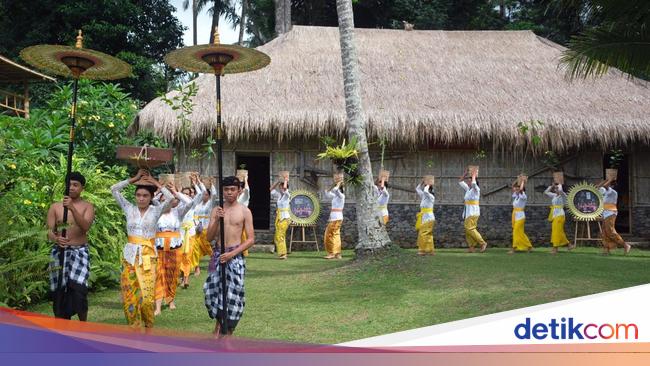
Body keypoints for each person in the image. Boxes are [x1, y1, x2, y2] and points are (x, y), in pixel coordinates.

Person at [111, 169, 173, 329]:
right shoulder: (128, 208)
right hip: (130, 257)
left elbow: (171, 198)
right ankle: (134, 328)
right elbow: (114, 189)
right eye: (138, 195)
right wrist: (134, 179)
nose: (141, 198)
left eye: (145, 196)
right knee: (129, 296)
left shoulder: (156, 210)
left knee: (147, 298)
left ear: (151, 197)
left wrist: (154, 182)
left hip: (148, 257)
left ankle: (148, 326)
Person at [203, 176, 254, 337]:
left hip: (234, 256)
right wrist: (217, 220)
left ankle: (229, 330)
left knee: (234, 293)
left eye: (232, 189)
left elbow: (251, 239)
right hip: (218, 255)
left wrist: (232, 253)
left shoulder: (245, 211)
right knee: (213, 291)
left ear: (239, 191)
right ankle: (218, 324)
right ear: (222, 191)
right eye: (226, 189)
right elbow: (209, 238)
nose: (229, 192)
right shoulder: (216, 210)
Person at [46, 172, 95, 321]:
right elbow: (48, 231)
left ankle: (82, 323)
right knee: (59, 292)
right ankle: (62, 325)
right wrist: (56, 238)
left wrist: (72, 208)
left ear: (82, 188)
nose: (72, 188)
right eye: (69, 184)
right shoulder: (55, 207)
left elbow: (85, 226)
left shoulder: (88, 206)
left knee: (79, 290)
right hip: (59, 252)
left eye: (75, 185)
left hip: (79, 252)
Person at [154, 181, 202, 315]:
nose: (167, 201)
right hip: (159, 249)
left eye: (171, 199)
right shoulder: (156, 212)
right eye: (165, 198)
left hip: (175, 248)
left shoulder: (178, 212)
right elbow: (152, 199)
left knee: (172, 274)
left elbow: (190, 202)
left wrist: (175, 192)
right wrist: (160, 191)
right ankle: (157, 305)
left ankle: (170, 299)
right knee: (158, 275)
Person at [179, 174, 204, 288]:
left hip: (191, 234)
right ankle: (180, 276)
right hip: (179, 235)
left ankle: (186, 279)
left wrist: (195, 183)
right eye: (183, 194)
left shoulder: (193, 205)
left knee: (187, 256)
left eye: (188, 194)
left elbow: (201, 193)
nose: (186, 196)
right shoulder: (177, 206)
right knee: (180, 256)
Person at [597, 178, 631, 255]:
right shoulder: (605, 192)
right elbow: (597, 187)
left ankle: (625, 245)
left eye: (608, 184)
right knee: (604, 232)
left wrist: (610, 178)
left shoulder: (613, 192)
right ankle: (606, 249)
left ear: (611, 185)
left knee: (610, 231)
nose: (605, 185)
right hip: (605, 213)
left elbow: (605, 186)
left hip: (611, 213)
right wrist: (605, 180)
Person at [192, 178, 217, 275]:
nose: (204, 196)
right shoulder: (198, 204)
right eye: (203, 194)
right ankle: (196, 267)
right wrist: (196, 182)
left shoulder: (210, 204)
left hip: (206, 229)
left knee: (207, 248)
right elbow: (200, 192)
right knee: (195, 248)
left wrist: (212, 185)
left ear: (209, 196)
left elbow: (214, 194)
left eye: (206, 194)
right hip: (196, 229)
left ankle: (214, 261)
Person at [459, 169, 487, 253]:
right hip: (468, 212)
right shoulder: (468, 189)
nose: (468, 182)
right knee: (468, 230)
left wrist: (474, 175)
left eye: (469, 180)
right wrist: (466, 173)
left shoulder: (476, 189)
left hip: (473, 212)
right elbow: (460, 181)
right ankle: (471, 247)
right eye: (468, 181)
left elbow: (474, 183)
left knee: (470, 228)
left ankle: (482, 243)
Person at [544, 183, 571, 254]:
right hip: (554, 215)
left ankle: (555, 248)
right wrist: (551, 186)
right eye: (555, 189)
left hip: (560, 215)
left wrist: (559, 183)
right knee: (559, 231)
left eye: (557, 188)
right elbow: (546, 192)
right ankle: (569, 245)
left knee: (556, 231)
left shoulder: (563, 195)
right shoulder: (554, 195)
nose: (556, 190)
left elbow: (561, 190)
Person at [509, 179, 533, 254]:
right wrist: (518, 179)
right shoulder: (517, 196)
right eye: (516, 188)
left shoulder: (523, 196)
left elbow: (521, 189)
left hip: (520, 217)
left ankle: (514, 248)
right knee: (520, 232)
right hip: (515, 216)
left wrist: (522, 182)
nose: (516, 189)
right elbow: (512, 186)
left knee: (516, 232)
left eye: (518, 187)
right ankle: (529, 246)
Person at [324, 180, 345, 259]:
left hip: (336, 218)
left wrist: (338, 183)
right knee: (336, 235)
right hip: (335, 217)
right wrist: (333, 184)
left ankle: (332, 253)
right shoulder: (335, 197)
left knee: (329, 235)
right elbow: (327, 193)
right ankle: (337, 253)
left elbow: (335, 190)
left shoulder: (341, 196)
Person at [270, 177, 290, 259]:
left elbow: (285, 188)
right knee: (278, 236)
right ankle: (282, 253)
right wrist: (278, 181)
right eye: (280, 188)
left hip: (285, 218)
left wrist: (285, 179)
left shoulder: (287, 195)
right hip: (279, 218)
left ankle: (283, 254)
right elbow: (270, 189)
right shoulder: (279, 195)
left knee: (280, 235)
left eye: (282, 187)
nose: (281, 189)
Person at [415, 180, 435, 255]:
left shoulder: (431, 197)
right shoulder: (424, 196)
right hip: (424, 217)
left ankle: (423, 250)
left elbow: (426, 191)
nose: (424, 189)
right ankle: (430, 250)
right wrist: (422, 182)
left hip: (429, 218)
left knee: (423, 234)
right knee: (426, 234)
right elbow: (417, 189)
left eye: (426, 188)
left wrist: (428, 184)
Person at [237, 176, 251, 257]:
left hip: (243, 216)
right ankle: (240, 250)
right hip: (237, 216)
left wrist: (245, 180)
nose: (238, 190)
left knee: (242, 234)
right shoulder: (238, 196)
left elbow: (247, 190)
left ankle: (244, 252)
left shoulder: (245, 196)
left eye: (239, 188)